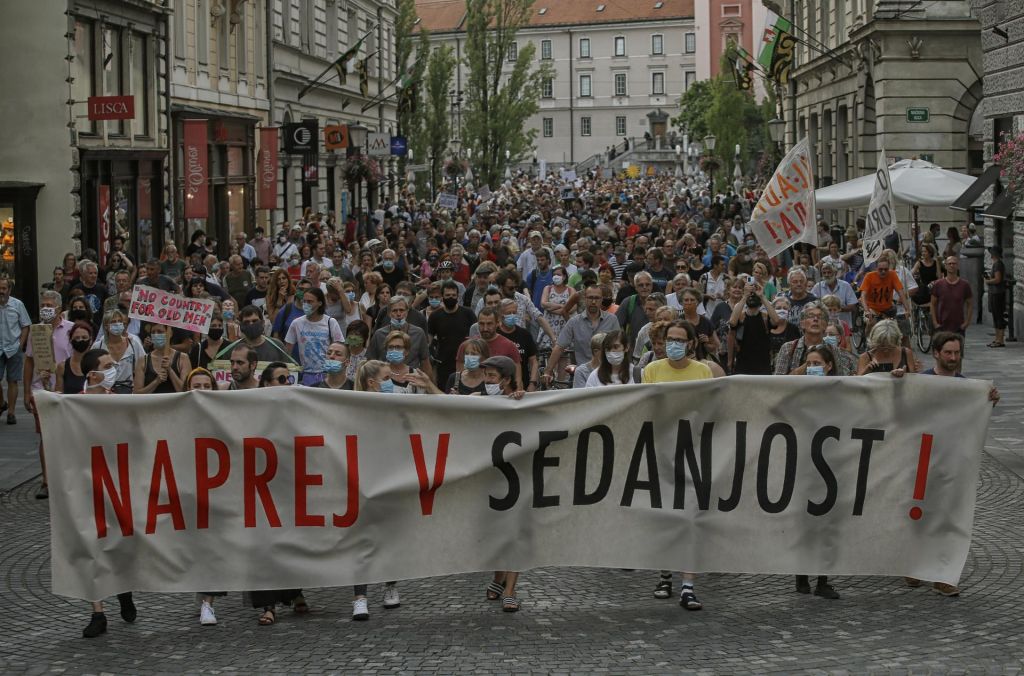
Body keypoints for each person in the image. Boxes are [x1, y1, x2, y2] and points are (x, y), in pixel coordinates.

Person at [895, 331, 999, 596]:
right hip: (920, 459)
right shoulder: (922, 381)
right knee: (917, 514)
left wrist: (987, 403)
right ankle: (913, 564)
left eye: (957, 353)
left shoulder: (966, 387)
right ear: (936, 354)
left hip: (952, 463)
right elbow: (900, 409)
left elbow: (973, 419)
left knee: (949, 518)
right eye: (948, 352)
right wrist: (897, 384)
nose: (953, 358)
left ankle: (944, 574)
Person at [641, 319, 712, 610]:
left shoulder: (703, 371)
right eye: (670, 338)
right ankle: (665, 574)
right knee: (665, 516)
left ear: (691, 344)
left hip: (693, 450)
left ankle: (688, 585)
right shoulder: (651, 370)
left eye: (681, 340)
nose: (674, 344)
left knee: (690, 517)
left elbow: (710, 409)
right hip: (660, 450)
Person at [79, 347, 139, 638]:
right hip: (85, 486)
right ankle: (97, 612)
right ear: (93, 374)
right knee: (91, 547)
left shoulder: (117, 403)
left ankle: (124, 590)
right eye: (108, 365)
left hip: (117, 484)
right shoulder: (73, 406)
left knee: (118, 543)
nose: (114, 368)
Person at [478, 355, 526, 612]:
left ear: (506, 380)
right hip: (490, 479)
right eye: (486, 376)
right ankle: (499, 579)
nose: (487, 381)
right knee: (497, 533)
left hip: (519, 480)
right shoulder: (481, 401)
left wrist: (523, 402)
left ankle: (510, 589)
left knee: (515, 533)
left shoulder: (522, 403)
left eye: (492, 377)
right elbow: (445, 403)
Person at [543, 285, 619, 385]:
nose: (593, 301)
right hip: (583, 374)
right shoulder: (574, 322)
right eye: (590, 297)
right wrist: (547, 372)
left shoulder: (612, 320)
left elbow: (619, 345)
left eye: (597, 298)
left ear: (601, 300)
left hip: (608, 373)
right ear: (584, 299)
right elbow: (559, 347)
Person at [774, 301, 856, 376]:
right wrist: (809, 364)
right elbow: (778, 382)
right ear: (802, 323)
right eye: (811, 316)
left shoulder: (834, 350)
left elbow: (839, 379)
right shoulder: (788, 348)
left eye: (820, 317)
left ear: (826, 325)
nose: (815, 319)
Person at [285, 287, 344, 386]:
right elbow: (287, 351)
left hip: (328, 374)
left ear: (320, 303)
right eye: (304, 301)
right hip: (306, 375)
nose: (306, 305)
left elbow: (341, 348)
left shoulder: (330, 322)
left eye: (310, 301)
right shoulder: (296, 323)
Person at [427, 280, 476, 389]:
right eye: (447, 295)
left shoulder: (468, 314)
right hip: (443, 364)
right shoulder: (435, 316)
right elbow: (429, 343)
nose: (451, 298)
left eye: (453, 295)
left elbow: (476, 340)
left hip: (466, 364)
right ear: (442, 297)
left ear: (458, 296)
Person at [728, 279, 782, 375]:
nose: (752, 298)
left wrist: (762, 296)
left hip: (763, 366)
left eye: (755, 296)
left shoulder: (765, 317)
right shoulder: (740, 317)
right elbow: (732, 322)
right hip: (742, 366)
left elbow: (776, 320)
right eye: (750, 296)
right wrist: (744, 296)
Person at [92, 308, 146, 393]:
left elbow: (144, 365)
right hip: (104, 393)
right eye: (113, 322)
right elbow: (92, 372)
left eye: (120, 321)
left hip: (130, 392)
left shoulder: (134, 343)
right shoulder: (98, 346)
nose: (118, 324)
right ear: (106, 326)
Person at [0, 278, 31, 425]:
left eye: (4, 288)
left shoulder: (18, 304)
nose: (1, 291)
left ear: (9, 290)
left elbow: (25, 325)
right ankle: (1, 403)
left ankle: (11, 412)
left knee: (12, 380)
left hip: (13, 347)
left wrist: (21, 344)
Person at [860, 254, 911, 333]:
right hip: (872, 308)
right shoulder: (869, 276)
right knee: (871, 322)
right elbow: (863, 295)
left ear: (889, 268)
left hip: (887, 309)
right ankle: (868, 341)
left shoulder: (892, 275)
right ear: (876, 268)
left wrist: (907, 309)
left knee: (893, 329)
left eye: (886, 269)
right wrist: (867, 311)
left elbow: (901, 292)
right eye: (880, 269)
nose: (883, 271)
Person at [135, 322, 191, 393]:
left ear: (169, 334)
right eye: (153, 332)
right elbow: (137, 394)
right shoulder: (143, 360)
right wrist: (156, 382)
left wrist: (170, 370)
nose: (156, 335)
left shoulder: (183, 358)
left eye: (160, 332)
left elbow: (186, 391)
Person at [929, 255, 972, 336]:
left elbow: (970, 304)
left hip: (958, 327)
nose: (952, 265)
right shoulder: (938, 284)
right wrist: (935, 323)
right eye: (949, 263)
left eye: (954, 263)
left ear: (958, 266)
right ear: (945, 266)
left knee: (958, 348)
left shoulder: (965, 285)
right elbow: (932, 304)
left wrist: (967, 323)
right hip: (942, 326)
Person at [811, 262, 858, 328]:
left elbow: (853, 306)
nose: (826, 275)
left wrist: (835, 309)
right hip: (824, 327)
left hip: (844, 326)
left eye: (829, 272)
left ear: (835, 273)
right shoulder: (817, 286)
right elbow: (812, 305)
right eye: (824, 273)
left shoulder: (845, 285)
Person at [984, 245, 1006, 348]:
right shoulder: (996, 264)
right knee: (996, 316)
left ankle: (1000, 340)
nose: (990, 255)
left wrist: (988, 281)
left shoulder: (998, 264)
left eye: (991, 253)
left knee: (998, 316)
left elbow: (998, 279)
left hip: (997, 293)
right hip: (995, 293)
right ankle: (997, 339)